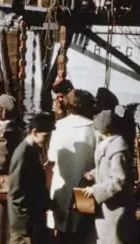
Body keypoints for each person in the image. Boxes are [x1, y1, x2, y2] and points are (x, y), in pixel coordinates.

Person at [47, 90, 97, 242]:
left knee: (60, 229)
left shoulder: (59, 126)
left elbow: (51, 156)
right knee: (82, 229)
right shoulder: (94, 129)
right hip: (84, 187)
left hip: (61, 184)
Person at [82, 111, 136, 244]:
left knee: (113, 238)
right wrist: (94, 173)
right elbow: (107, 168)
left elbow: (118, 181)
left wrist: (95, 190)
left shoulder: (117, 151)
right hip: (107, 204)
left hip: (116, 207)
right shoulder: (109, 144)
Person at [8, 113, 56, 244]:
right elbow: (15, 191)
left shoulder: (32, 150)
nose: (48, 140)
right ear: (34, 132)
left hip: (32, 220)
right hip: (24, 226)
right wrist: (26, 222)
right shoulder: (22, 154)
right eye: (46, 136)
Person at [0, 94, 24, 244]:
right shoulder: (18, 128)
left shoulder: (3, 131)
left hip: (3, 182)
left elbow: (0, 160)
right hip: (17, 179)